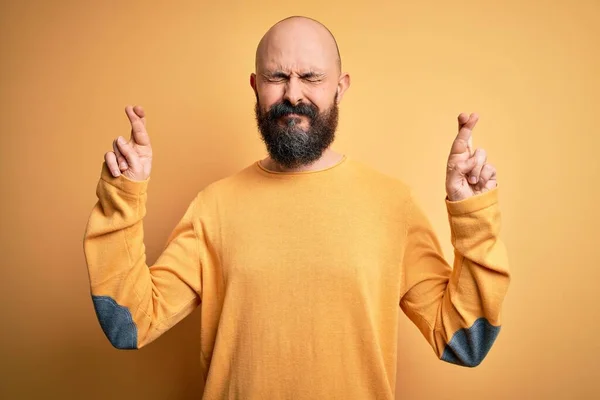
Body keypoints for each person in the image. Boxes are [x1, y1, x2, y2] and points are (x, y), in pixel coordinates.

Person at [83, 15, 510, 399]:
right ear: (255, 86)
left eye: (310, 76)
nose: (293, 94)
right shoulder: (213, 206)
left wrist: (471, 213)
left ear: (340, 87)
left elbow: (464, 342)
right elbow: (129, 323)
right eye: (276, 76)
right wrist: (123, 194)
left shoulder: (392, 205)